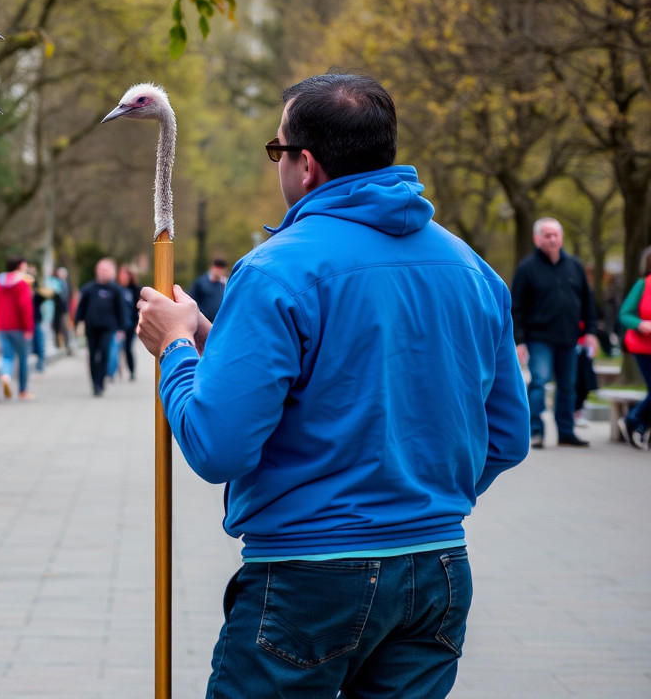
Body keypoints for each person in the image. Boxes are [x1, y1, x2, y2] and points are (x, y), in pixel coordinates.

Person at [135, 74, 529, 698]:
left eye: (277, 150)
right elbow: (507, 437)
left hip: (307, 575)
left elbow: (218, 447)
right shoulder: (473, 270)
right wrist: (417, 489)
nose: (278, 166)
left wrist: (176, 350)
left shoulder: (276, 269)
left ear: (307, 165)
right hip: (437, 569)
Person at [510, 218, 600, 448]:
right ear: (536, 238)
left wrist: (591, 331)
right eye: (546, 235)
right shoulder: (527, 268)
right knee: (539, 382)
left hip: (569, 337)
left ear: (561, 237)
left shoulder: (574, 266)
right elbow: (516, 307)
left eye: (555, 235)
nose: (552, 239)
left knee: (568, 385)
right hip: (539, 337)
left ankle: (566, 431)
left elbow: (588, 301)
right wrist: (519, 340)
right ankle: (536, 431)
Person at [75, 258, 128, 397]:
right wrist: (77, 323)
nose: (103, 273)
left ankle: (101, 379)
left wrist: (122, 328)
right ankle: (94, 383)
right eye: (101, 269)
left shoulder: (116, 289)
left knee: (105, 353)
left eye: (106, 270)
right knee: (92, 355)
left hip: (108, 327)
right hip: (91, 327)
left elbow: (121, 310)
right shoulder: (89, 289)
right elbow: (81, 308)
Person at [0, 256, 35, 399]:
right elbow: (25, 307)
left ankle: (6, 377)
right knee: (23, 359)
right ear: (19, 267)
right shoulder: (23, 283)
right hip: (19, 328)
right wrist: (28, 328)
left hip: (2, 327)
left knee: (7, 357)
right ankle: (23, 391)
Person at [617, 246, 651, 450]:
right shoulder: (642, 285)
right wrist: (641, 324)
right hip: (643, 346)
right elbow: (624, 314)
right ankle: (634, 419)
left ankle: (637, 424)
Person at [116, 265, 140, 380]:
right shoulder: (116, 289)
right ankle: (116, 371)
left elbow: (138, 308)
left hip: (130, 324)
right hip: (117, 325)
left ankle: (131, 370)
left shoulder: (134, 290)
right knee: (115, 348)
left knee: (127, 348)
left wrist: (137, 323)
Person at [189, 257, 229, 322]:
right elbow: (192, 299)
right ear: (213, 268)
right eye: (218, 269)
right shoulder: (201, 282)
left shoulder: (225, 283)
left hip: (219, 321)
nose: (219, 272)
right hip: (203, 321)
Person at [48, 266, 74, 355]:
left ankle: (67, 345)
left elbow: (69, 295)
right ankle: (58, 344)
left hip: (65, 309)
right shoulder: (54, 282)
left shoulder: (67, 282)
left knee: (66, 327)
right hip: (56, 308)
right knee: (56, 326)